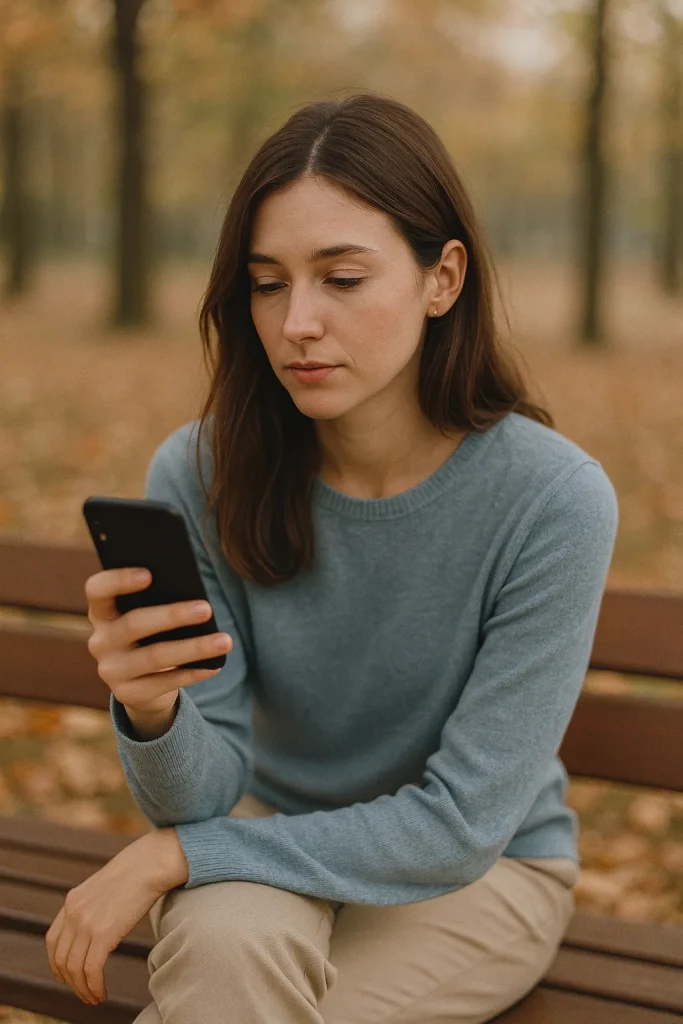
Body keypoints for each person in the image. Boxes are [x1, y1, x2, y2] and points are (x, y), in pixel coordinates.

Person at [75, 92, 619, 1023]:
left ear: (442, 278)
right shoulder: (202, 473)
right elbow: (199, 798)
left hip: (480, 875)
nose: (297, 322)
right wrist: (153, 709)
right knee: (222, 953)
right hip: (266, 835)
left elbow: (459, 826)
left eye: (342, 278)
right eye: (267, 283)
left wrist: (180, 856)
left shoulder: (551, 499)